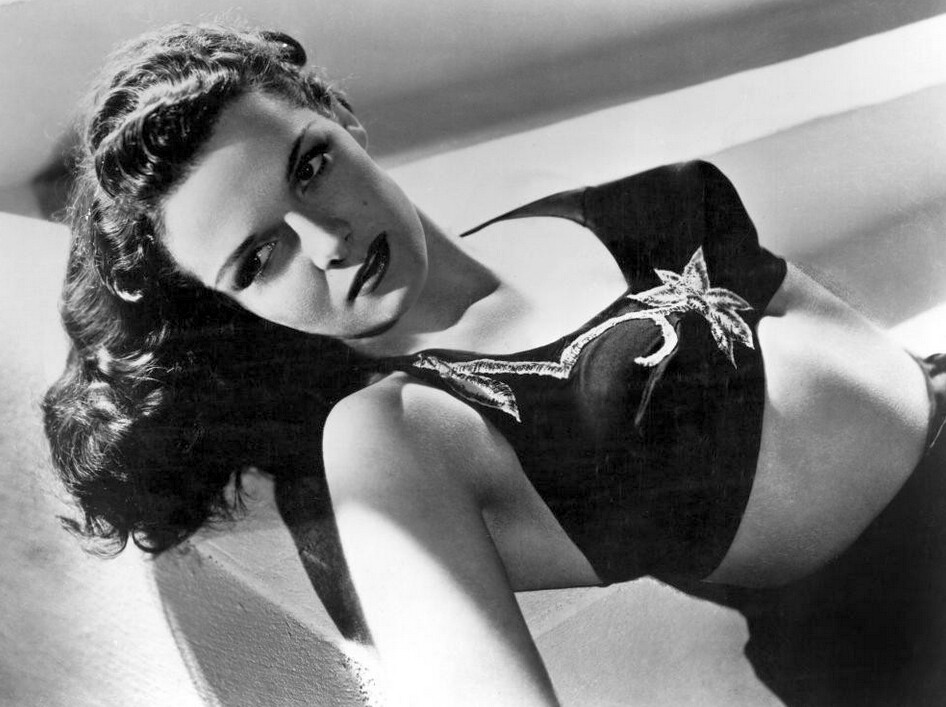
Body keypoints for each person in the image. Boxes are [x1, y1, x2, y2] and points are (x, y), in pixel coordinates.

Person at [43, 22, 945, 706]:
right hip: (905, 627)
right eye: (259, 258)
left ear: (342, 119)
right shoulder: (387, 433)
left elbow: (855, 351)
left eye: (311, 167)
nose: (327, 240)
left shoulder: (600, 206)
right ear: (234, 306)